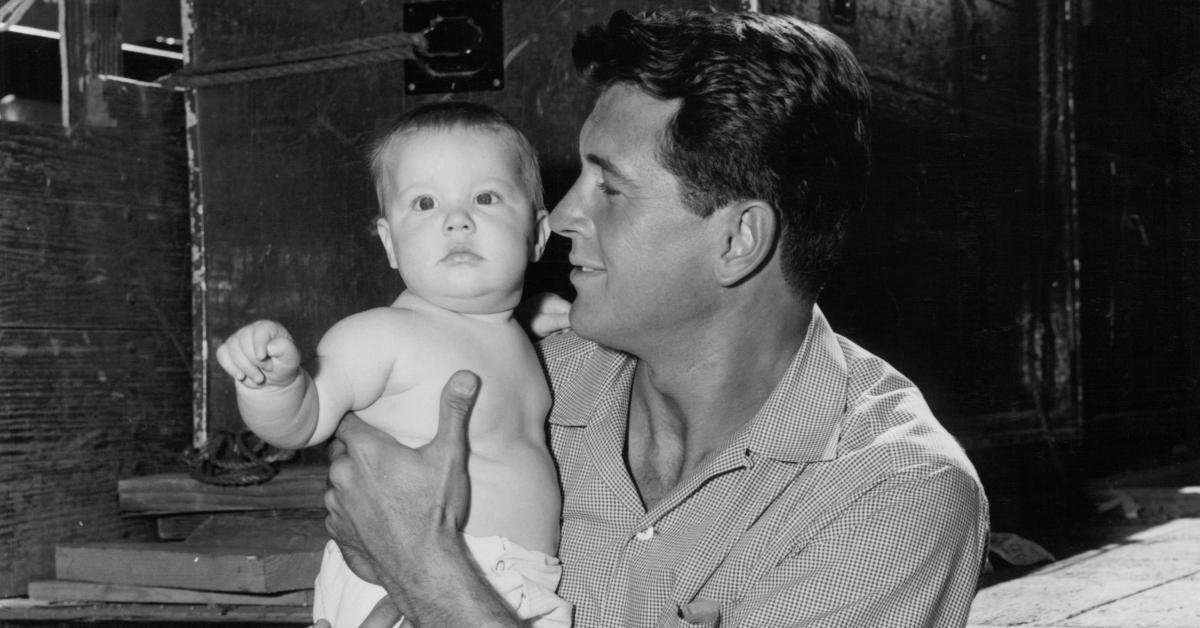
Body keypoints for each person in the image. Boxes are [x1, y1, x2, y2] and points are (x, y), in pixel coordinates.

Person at [324, 9, 991, 628]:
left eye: (608, 188)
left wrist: (433, 577)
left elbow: (413, 557)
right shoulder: (523, 370)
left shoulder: (893, 497)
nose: (558, 219)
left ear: (737, 241)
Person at [214, 102, 572, 628]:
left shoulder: (513, 329)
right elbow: (303, 422)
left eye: (486, 197)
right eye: (424, 203)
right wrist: (275, 384)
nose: (456, 219)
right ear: (389, 243)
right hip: (401, 585)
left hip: (503, 588)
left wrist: (541, 315)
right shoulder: (381, 334)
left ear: (537, 235)